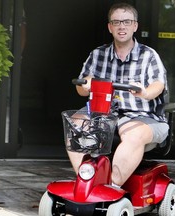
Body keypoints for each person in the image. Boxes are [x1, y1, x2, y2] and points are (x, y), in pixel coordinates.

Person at [67, 2, 169, 187]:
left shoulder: (149, 55)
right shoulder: (98, 54)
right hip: (103, 113)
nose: (122, 26)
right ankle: (87, 181)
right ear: (110, 27)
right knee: (75, 125)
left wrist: (145, 92)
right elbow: (81, 88)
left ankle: (111, 188)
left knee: (134, 135)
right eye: (116, 22)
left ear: (135, 26)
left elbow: (158, 85)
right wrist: (87, 85)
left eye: (127, 21)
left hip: (144, 116)